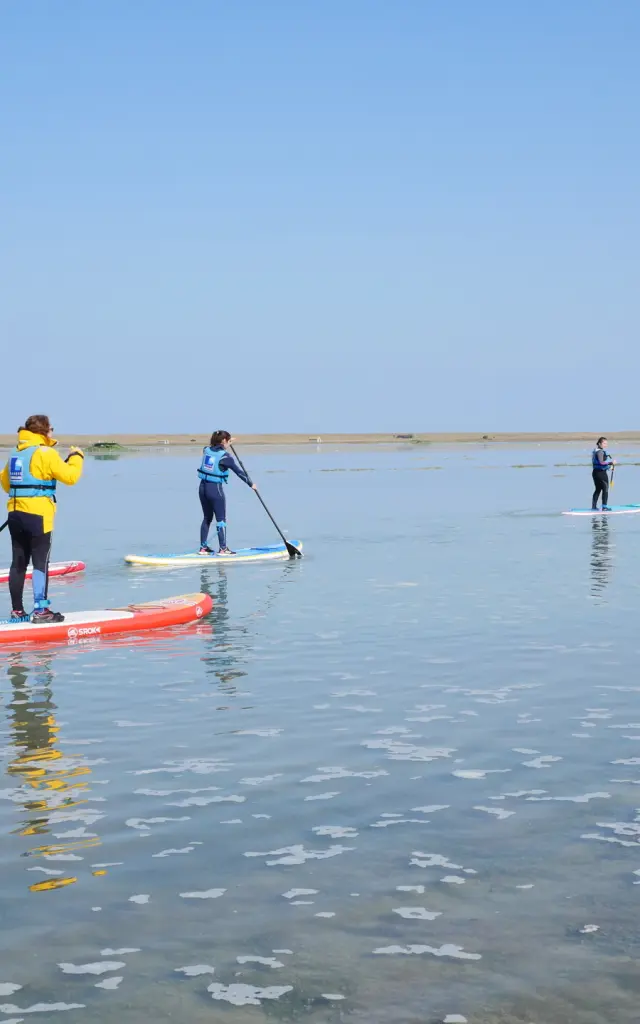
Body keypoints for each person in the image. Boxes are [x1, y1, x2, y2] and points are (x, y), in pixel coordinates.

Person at [0, 415, 84, 622]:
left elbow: (6, 485)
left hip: (15, 514)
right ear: (45, 431)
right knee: (40, 562)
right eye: (51, 429)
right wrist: (76, 457)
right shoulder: (47, 453)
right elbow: (71, 477)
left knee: (18, 562)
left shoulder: (15, 453)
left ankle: (17, 611)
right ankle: (40, 611)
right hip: (38, 515)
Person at [197, 430, 256, 555]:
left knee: (207, 517)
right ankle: (223, 549)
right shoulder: (226, 457)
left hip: (202, 488)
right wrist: (251, 484)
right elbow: (239, 472)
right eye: (228, 440)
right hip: (215, 489)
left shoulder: (206, 450)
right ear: (224, 441)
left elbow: (214, 448)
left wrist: (227, 443)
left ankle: (203, 548)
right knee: (221, 519)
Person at [592, 436, 615, 511]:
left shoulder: (596, 451)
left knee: (598, 489)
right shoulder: (600, 452)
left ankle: (594, 507)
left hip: (596, 473)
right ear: (599, 443)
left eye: (606, 443)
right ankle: (604, 507)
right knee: (605, 489)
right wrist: (611, 462)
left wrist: (608, 467)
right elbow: (601, 462)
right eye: (604, 443)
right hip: (601, 474)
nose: (605, 445)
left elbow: (600, 464)